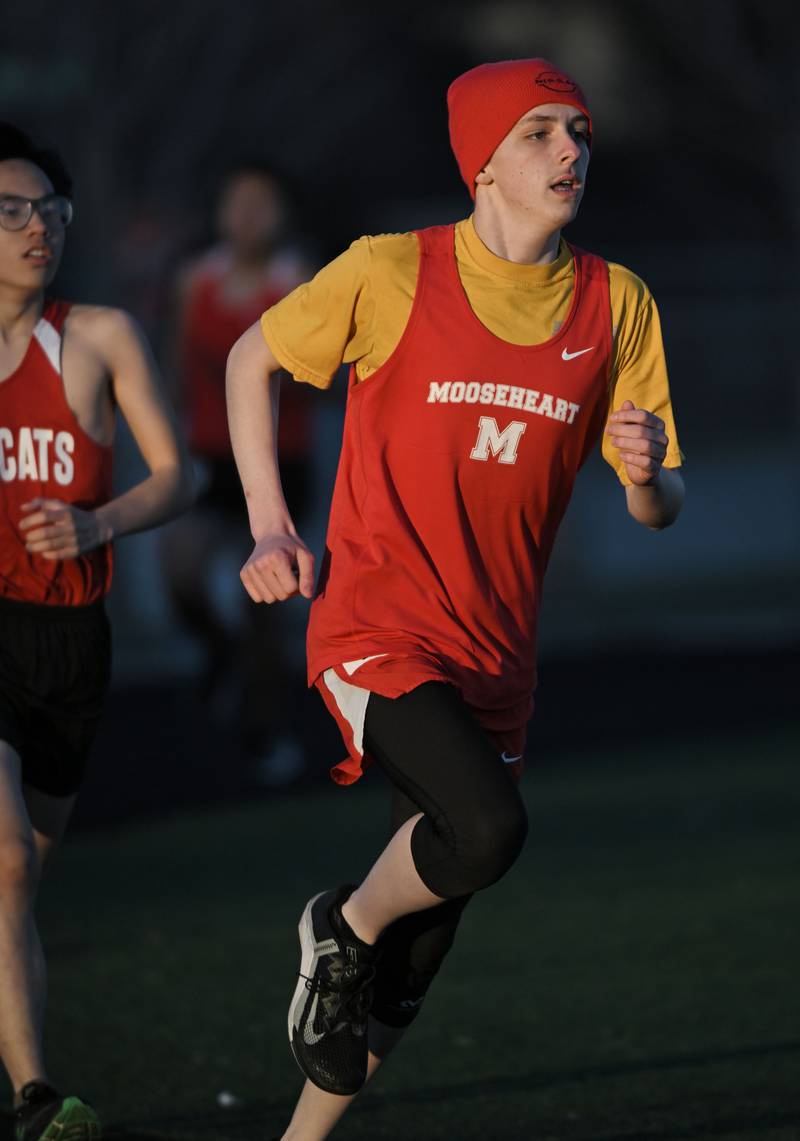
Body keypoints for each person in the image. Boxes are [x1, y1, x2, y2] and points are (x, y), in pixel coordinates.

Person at [226, 58, 685, 1140]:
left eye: (576, 128)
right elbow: (252, 358)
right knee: (483, 827)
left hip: (496, 658)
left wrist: (642, 471)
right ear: (481, 163)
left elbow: (656, 510)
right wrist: (267, 523)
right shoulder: (390, 271)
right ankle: (335, 921)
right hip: (376, 625)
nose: (570, 149)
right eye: (537, 133)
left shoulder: (617, 301)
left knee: (414, 961)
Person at [0, 122, 194, 1140]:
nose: (40, 229)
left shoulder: (101, 333)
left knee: (25, 866)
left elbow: (178, 474)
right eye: (13, 210)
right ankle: (36, 1098)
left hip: (70, 637)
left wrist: (95, 522)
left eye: (53, 212)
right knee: (9, 865)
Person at [161, 163, 314, 786]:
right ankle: (219, 655)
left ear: (281, 215)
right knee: (180, 571)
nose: (249, 216)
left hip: (282, 461)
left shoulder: (300, 281)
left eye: (262, 204)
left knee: (265, 608)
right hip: (209, 458)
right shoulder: (194, 280)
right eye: (238, 203)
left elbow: (321, 379)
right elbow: (177, 368)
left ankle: (265, 733)